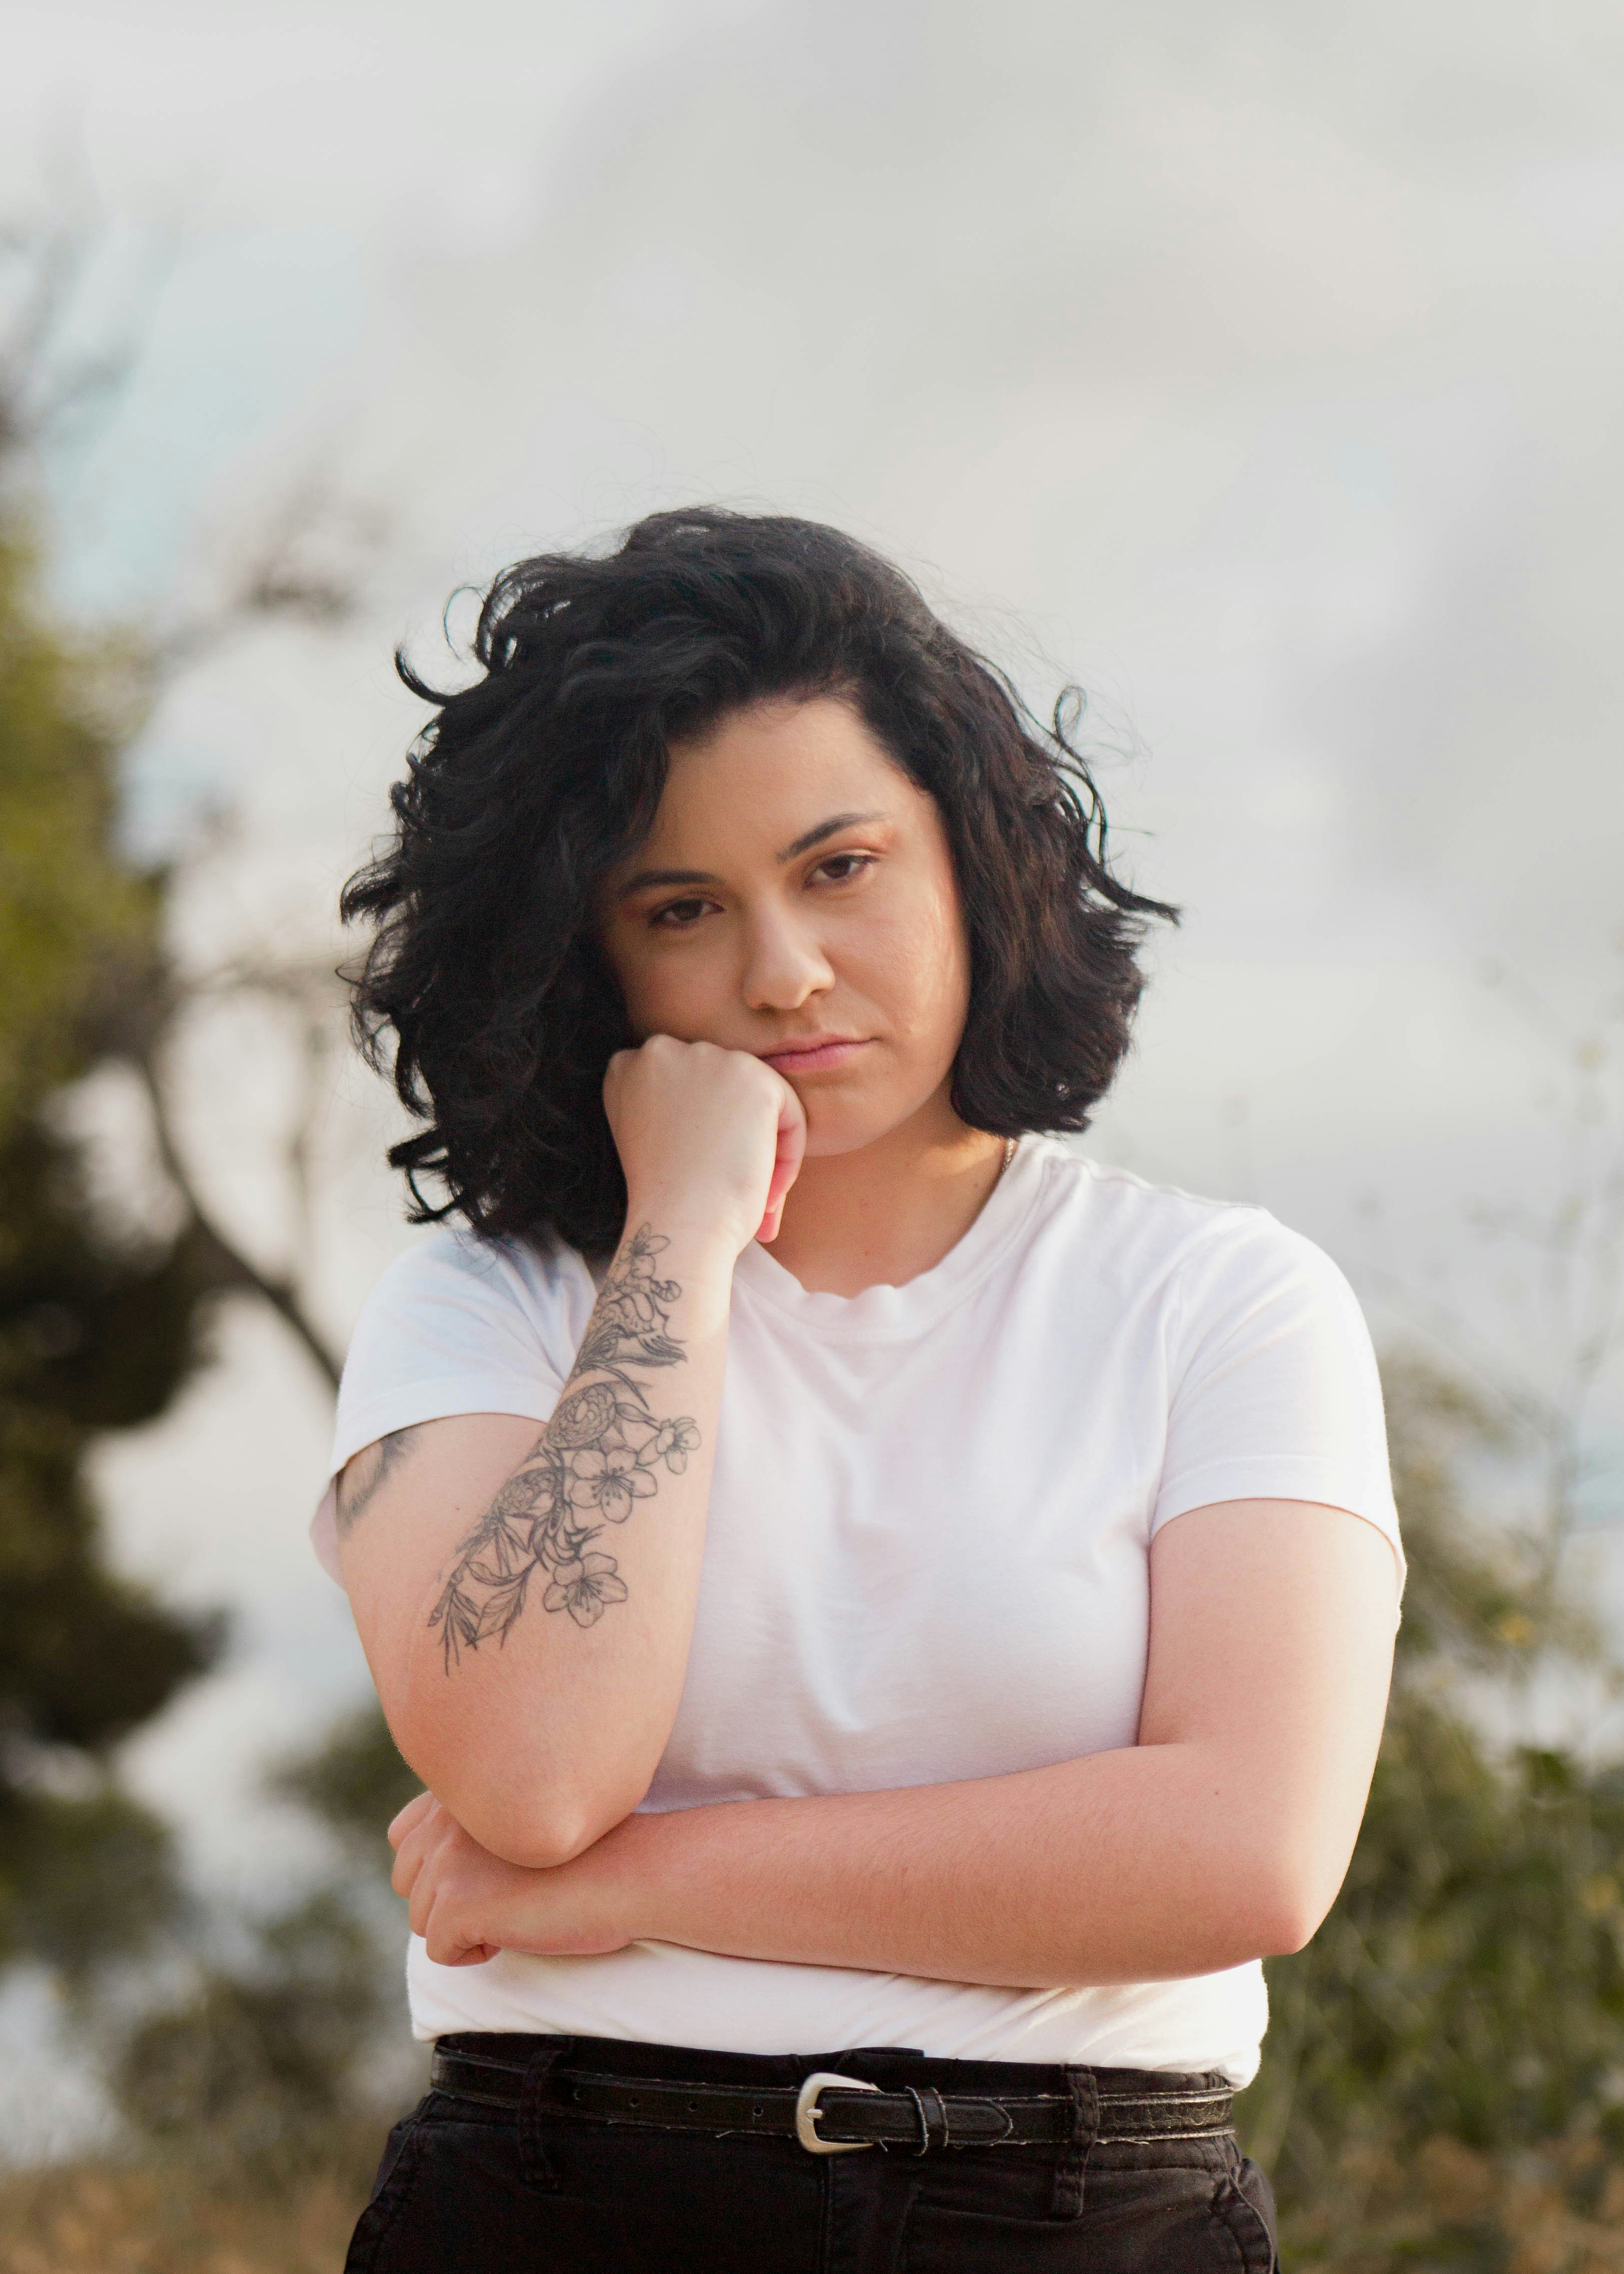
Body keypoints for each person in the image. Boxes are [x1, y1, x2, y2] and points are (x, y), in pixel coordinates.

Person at [323, 508, 1402, 2274]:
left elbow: (1244, 1856)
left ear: (973, 862)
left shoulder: (1219, 1299)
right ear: (588, 958)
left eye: (839, 868)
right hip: (556, 2199)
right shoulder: (484, 1305)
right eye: (683, 909)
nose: (782, 973)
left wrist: (632, 1886)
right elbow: (529, 1778)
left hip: (1081, 2215)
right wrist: (679, 1232)